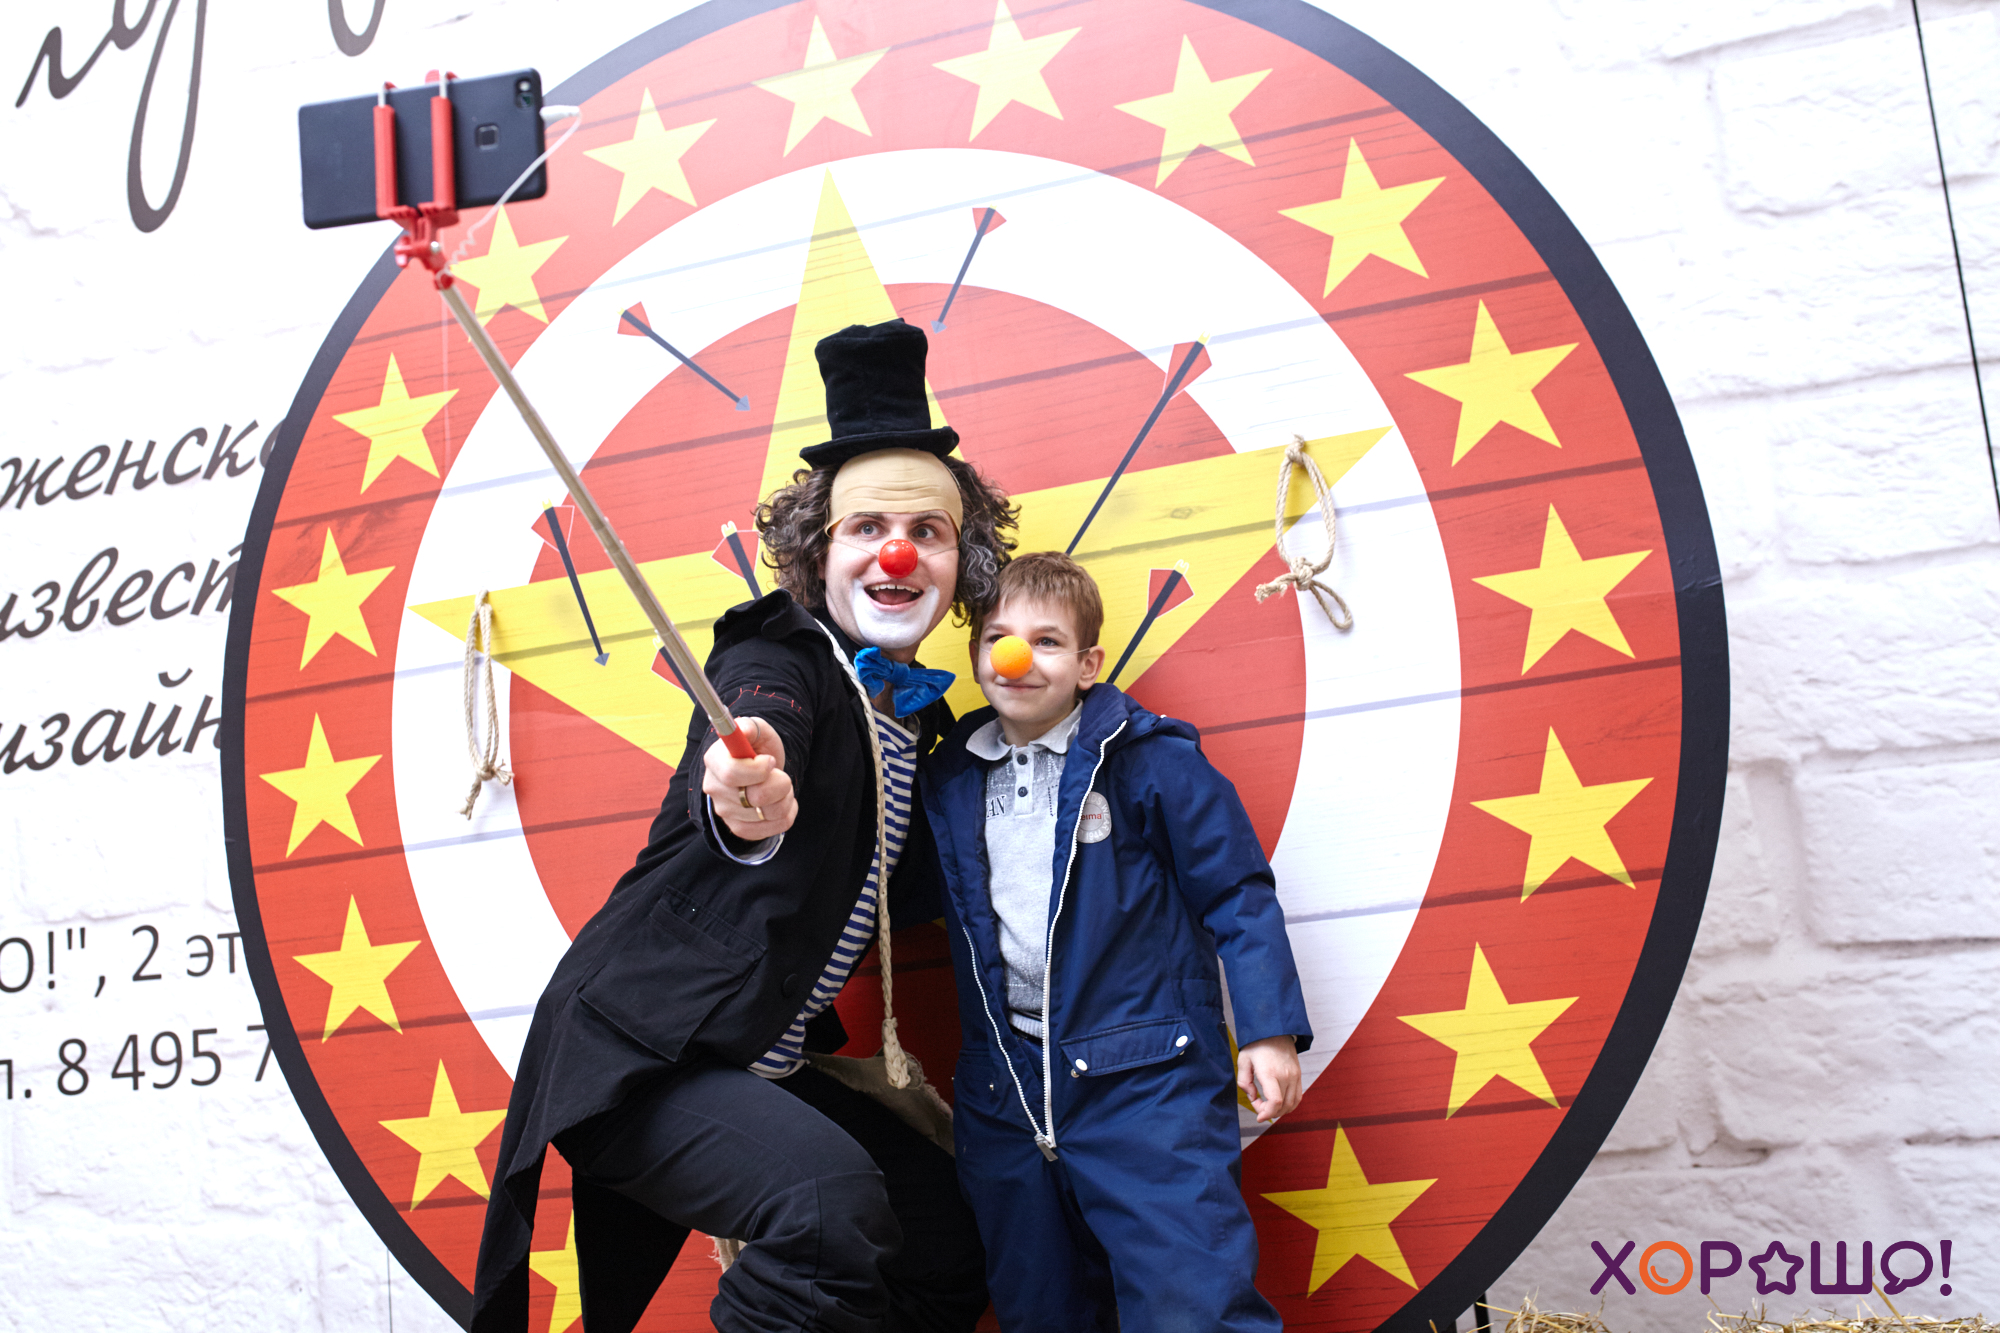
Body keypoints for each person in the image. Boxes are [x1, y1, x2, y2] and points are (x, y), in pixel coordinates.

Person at [471, 320, 1011, 1333]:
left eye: (925, 530)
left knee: (945, 1233)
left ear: (960, 561)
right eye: (865, 526)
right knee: (823, 1203)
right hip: (645, 1052)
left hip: (759, 1055)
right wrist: (743, 781)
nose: (895, 550)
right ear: (817, 554)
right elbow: (755, 734)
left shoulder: (917, 723)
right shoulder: (778, 658)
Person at [918, 551, 1312, 1333]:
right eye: (998, 638)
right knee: (1043, 1309)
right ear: (975, 654)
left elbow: (1236, 891)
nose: (1017, 657)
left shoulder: (1148, 760)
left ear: (1089, 663)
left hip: (1147, 1082)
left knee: (1191, 1302)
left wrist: (1268, 1029)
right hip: (1007, 1091)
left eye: (1047, 641)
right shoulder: (950, 778)